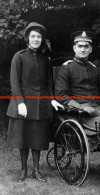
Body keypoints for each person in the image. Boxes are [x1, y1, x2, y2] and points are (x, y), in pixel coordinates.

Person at [7, 22, 63, 182]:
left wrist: (52, 99)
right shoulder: (19, 56)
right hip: (23, 102)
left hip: (41, 104)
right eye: (33, 36)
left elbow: (48, 83)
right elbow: (14, 82)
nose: (36, 39)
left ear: (42, 39)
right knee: (23, 138)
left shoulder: (45, 59)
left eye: (39, 37)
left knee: (37, 138)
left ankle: (36, 171)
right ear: (27, 38)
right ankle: (24, 170)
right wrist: (20, 103)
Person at [55, 31, 100, 150]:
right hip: (81, 113)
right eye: (80, 46)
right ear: (74, 48)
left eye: (86, 46)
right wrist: (81, 107)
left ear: (90, 49)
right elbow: (61, 96)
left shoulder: (95, 69)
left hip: (98, 108)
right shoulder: (66, 69)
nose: (83, 49)